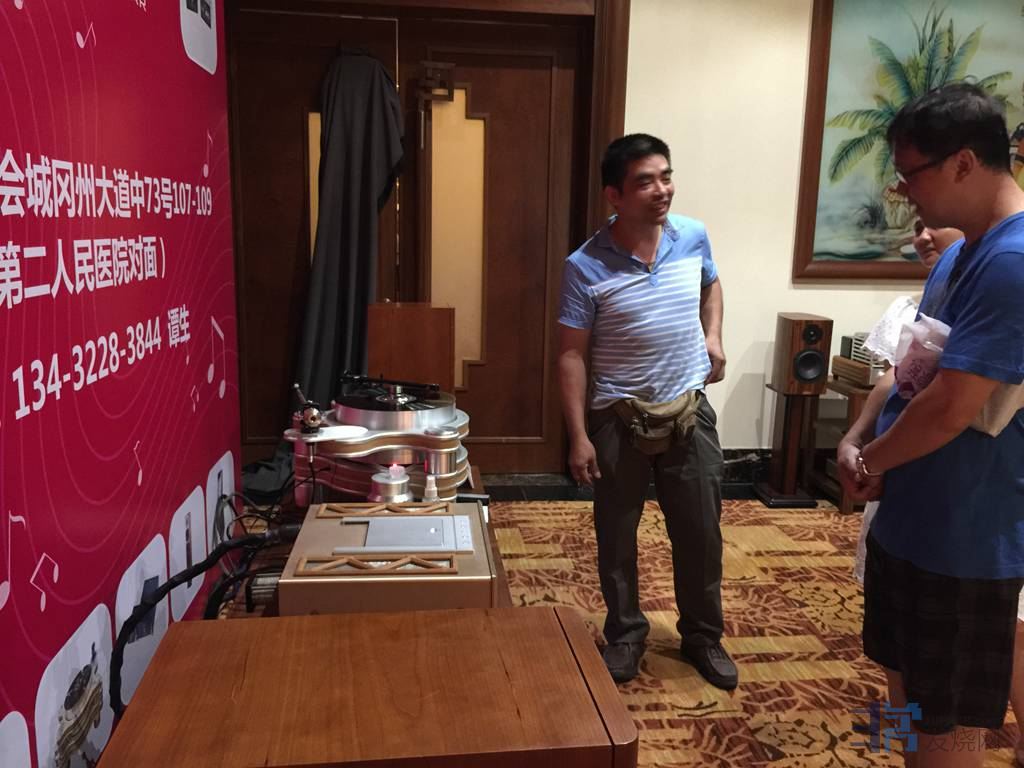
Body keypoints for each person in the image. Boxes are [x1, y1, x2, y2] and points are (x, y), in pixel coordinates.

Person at [838, 83, 1024, 766]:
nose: (902, 191)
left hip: (963, 538)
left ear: (964, 163)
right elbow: (911, 371)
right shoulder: (956, 255)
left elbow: (950, 408)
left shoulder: (1013, 262)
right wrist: (859, 441)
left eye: (911, 173)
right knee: (901, 691)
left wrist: (873, 461)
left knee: (948, 728)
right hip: (910, 522)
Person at [556, 133, 736, 689]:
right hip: (618, 417)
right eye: (645, 182)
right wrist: (579, 436)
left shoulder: (692, 235)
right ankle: (626, 635)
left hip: (689, 411)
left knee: (701, 532)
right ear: (615, 195)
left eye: (666, 176)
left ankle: (703, 636)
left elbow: (711, 284)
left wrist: (713, 336)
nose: (662, 190)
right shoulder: (585, 265)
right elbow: (571, 354)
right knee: (616, 534)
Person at [851, 219, 963, 585]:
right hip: (898, 461)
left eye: (936, 226)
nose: (923, 238)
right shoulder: (909, 306)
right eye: (916, 228)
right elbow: (894, 377)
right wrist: (857, 438)